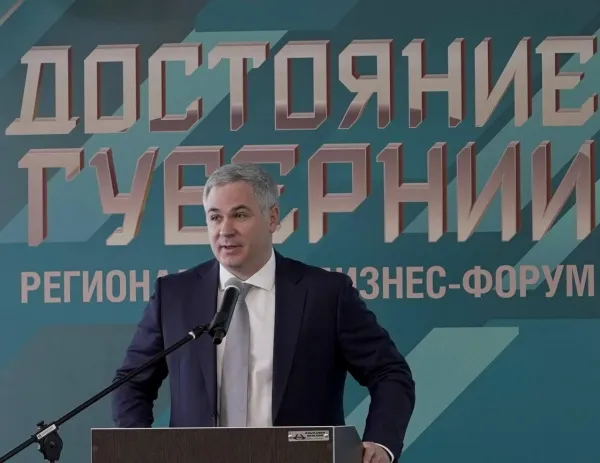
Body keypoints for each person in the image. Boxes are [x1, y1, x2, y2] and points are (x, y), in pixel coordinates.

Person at [111, 163, 416, 463]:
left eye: (240, 215)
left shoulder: (325, 294)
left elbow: (389, 372)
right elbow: (131, 382)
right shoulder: (175, 296)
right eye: (215, 217)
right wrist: (143, 449)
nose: (225, 230)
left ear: (272, 218)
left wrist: (381, 442)